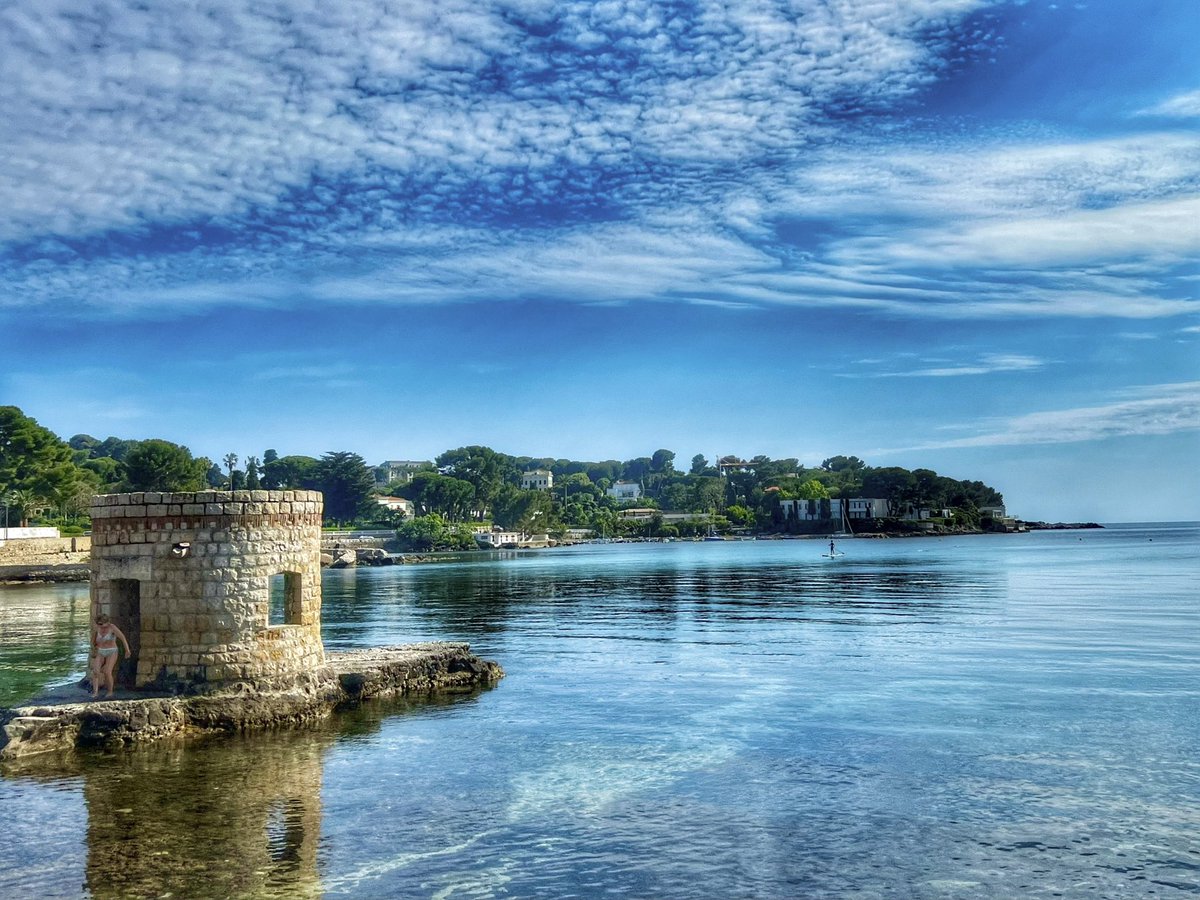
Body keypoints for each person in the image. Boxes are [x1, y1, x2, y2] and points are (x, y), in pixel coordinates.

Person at [91, 614, 131, 699]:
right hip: (100, 651)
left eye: (101, 624)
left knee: (107, 672)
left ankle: (110, 691)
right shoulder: (97, 628)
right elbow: (93, 640)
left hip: (112, 651)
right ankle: (95, 692)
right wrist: (94, 647)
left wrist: (127, 650)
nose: (100, 626)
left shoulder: (112, 628)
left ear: (107, 623)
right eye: (98, 624)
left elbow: (122, 638)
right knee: (95, 671)